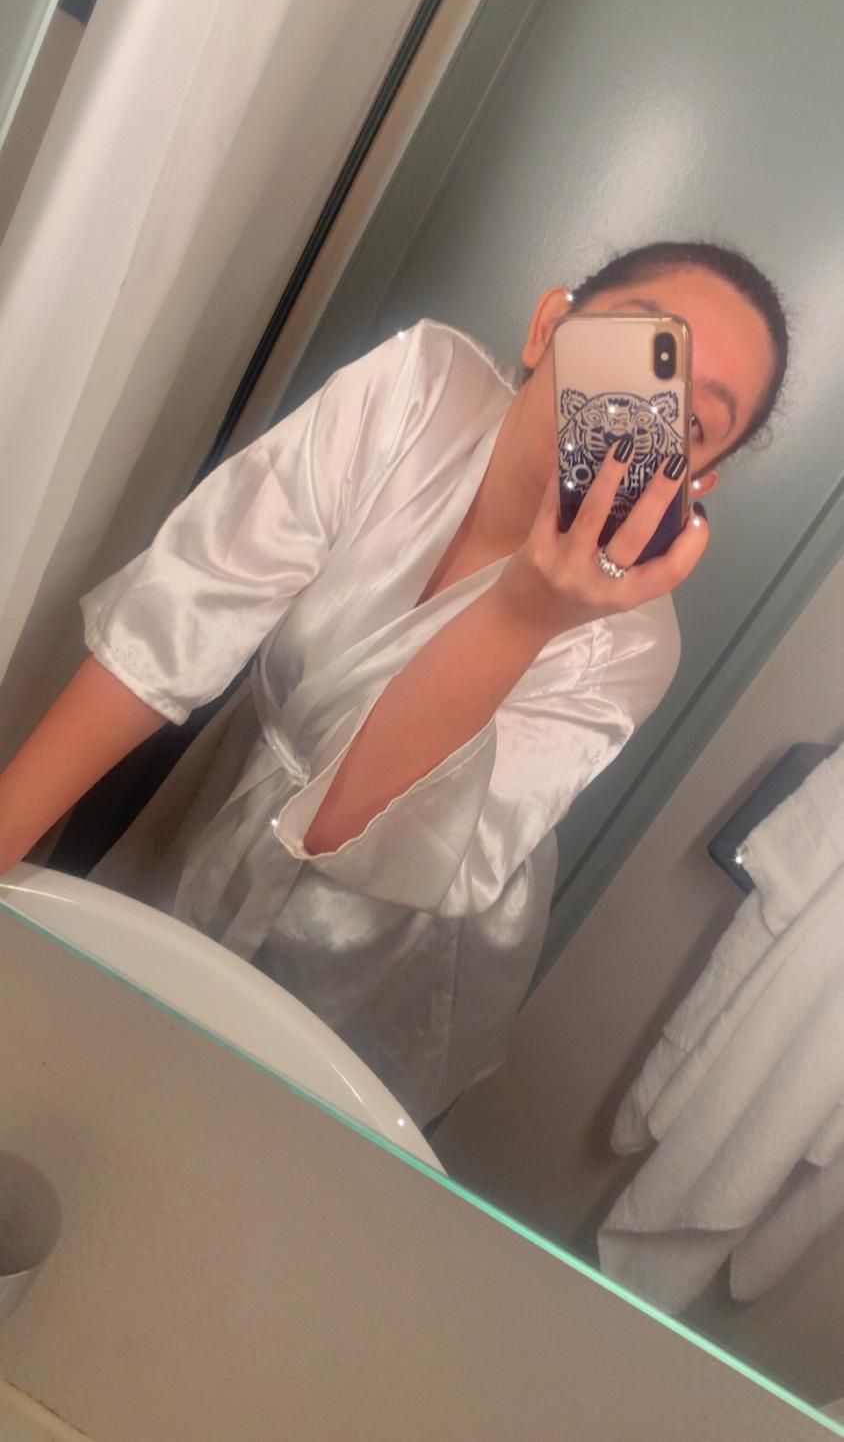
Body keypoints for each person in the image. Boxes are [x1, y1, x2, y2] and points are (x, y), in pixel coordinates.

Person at [0, 241, 788, 1127]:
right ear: (547, 328)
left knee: (251, 1141)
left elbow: (351, 838)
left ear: (695, 479)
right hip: (231, 797)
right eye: (637, 351)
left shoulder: (631, 644)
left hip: (395, 928)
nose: (634, 416)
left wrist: (526, 614)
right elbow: (175, 619)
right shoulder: (417, 387)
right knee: (84, 1064)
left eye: (687, 422)